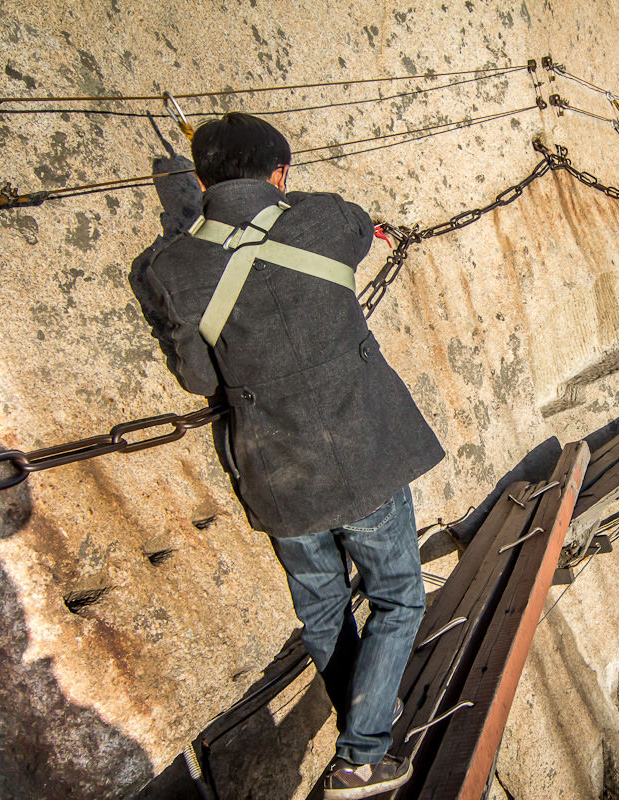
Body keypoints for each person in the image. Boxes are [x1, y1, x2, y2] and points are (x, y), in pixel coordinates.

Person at [132, 113, 444, 799]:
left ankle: (368, 716)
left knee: (326, 611)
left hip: (278, 473)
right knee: (396, 596)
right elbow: (360, 227)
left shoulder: (169, 268)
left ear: (204, 182)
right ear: (281, 174)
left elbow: (199, 379)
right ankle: (361, 755)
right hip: (365, 453)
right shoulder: (325, 220)